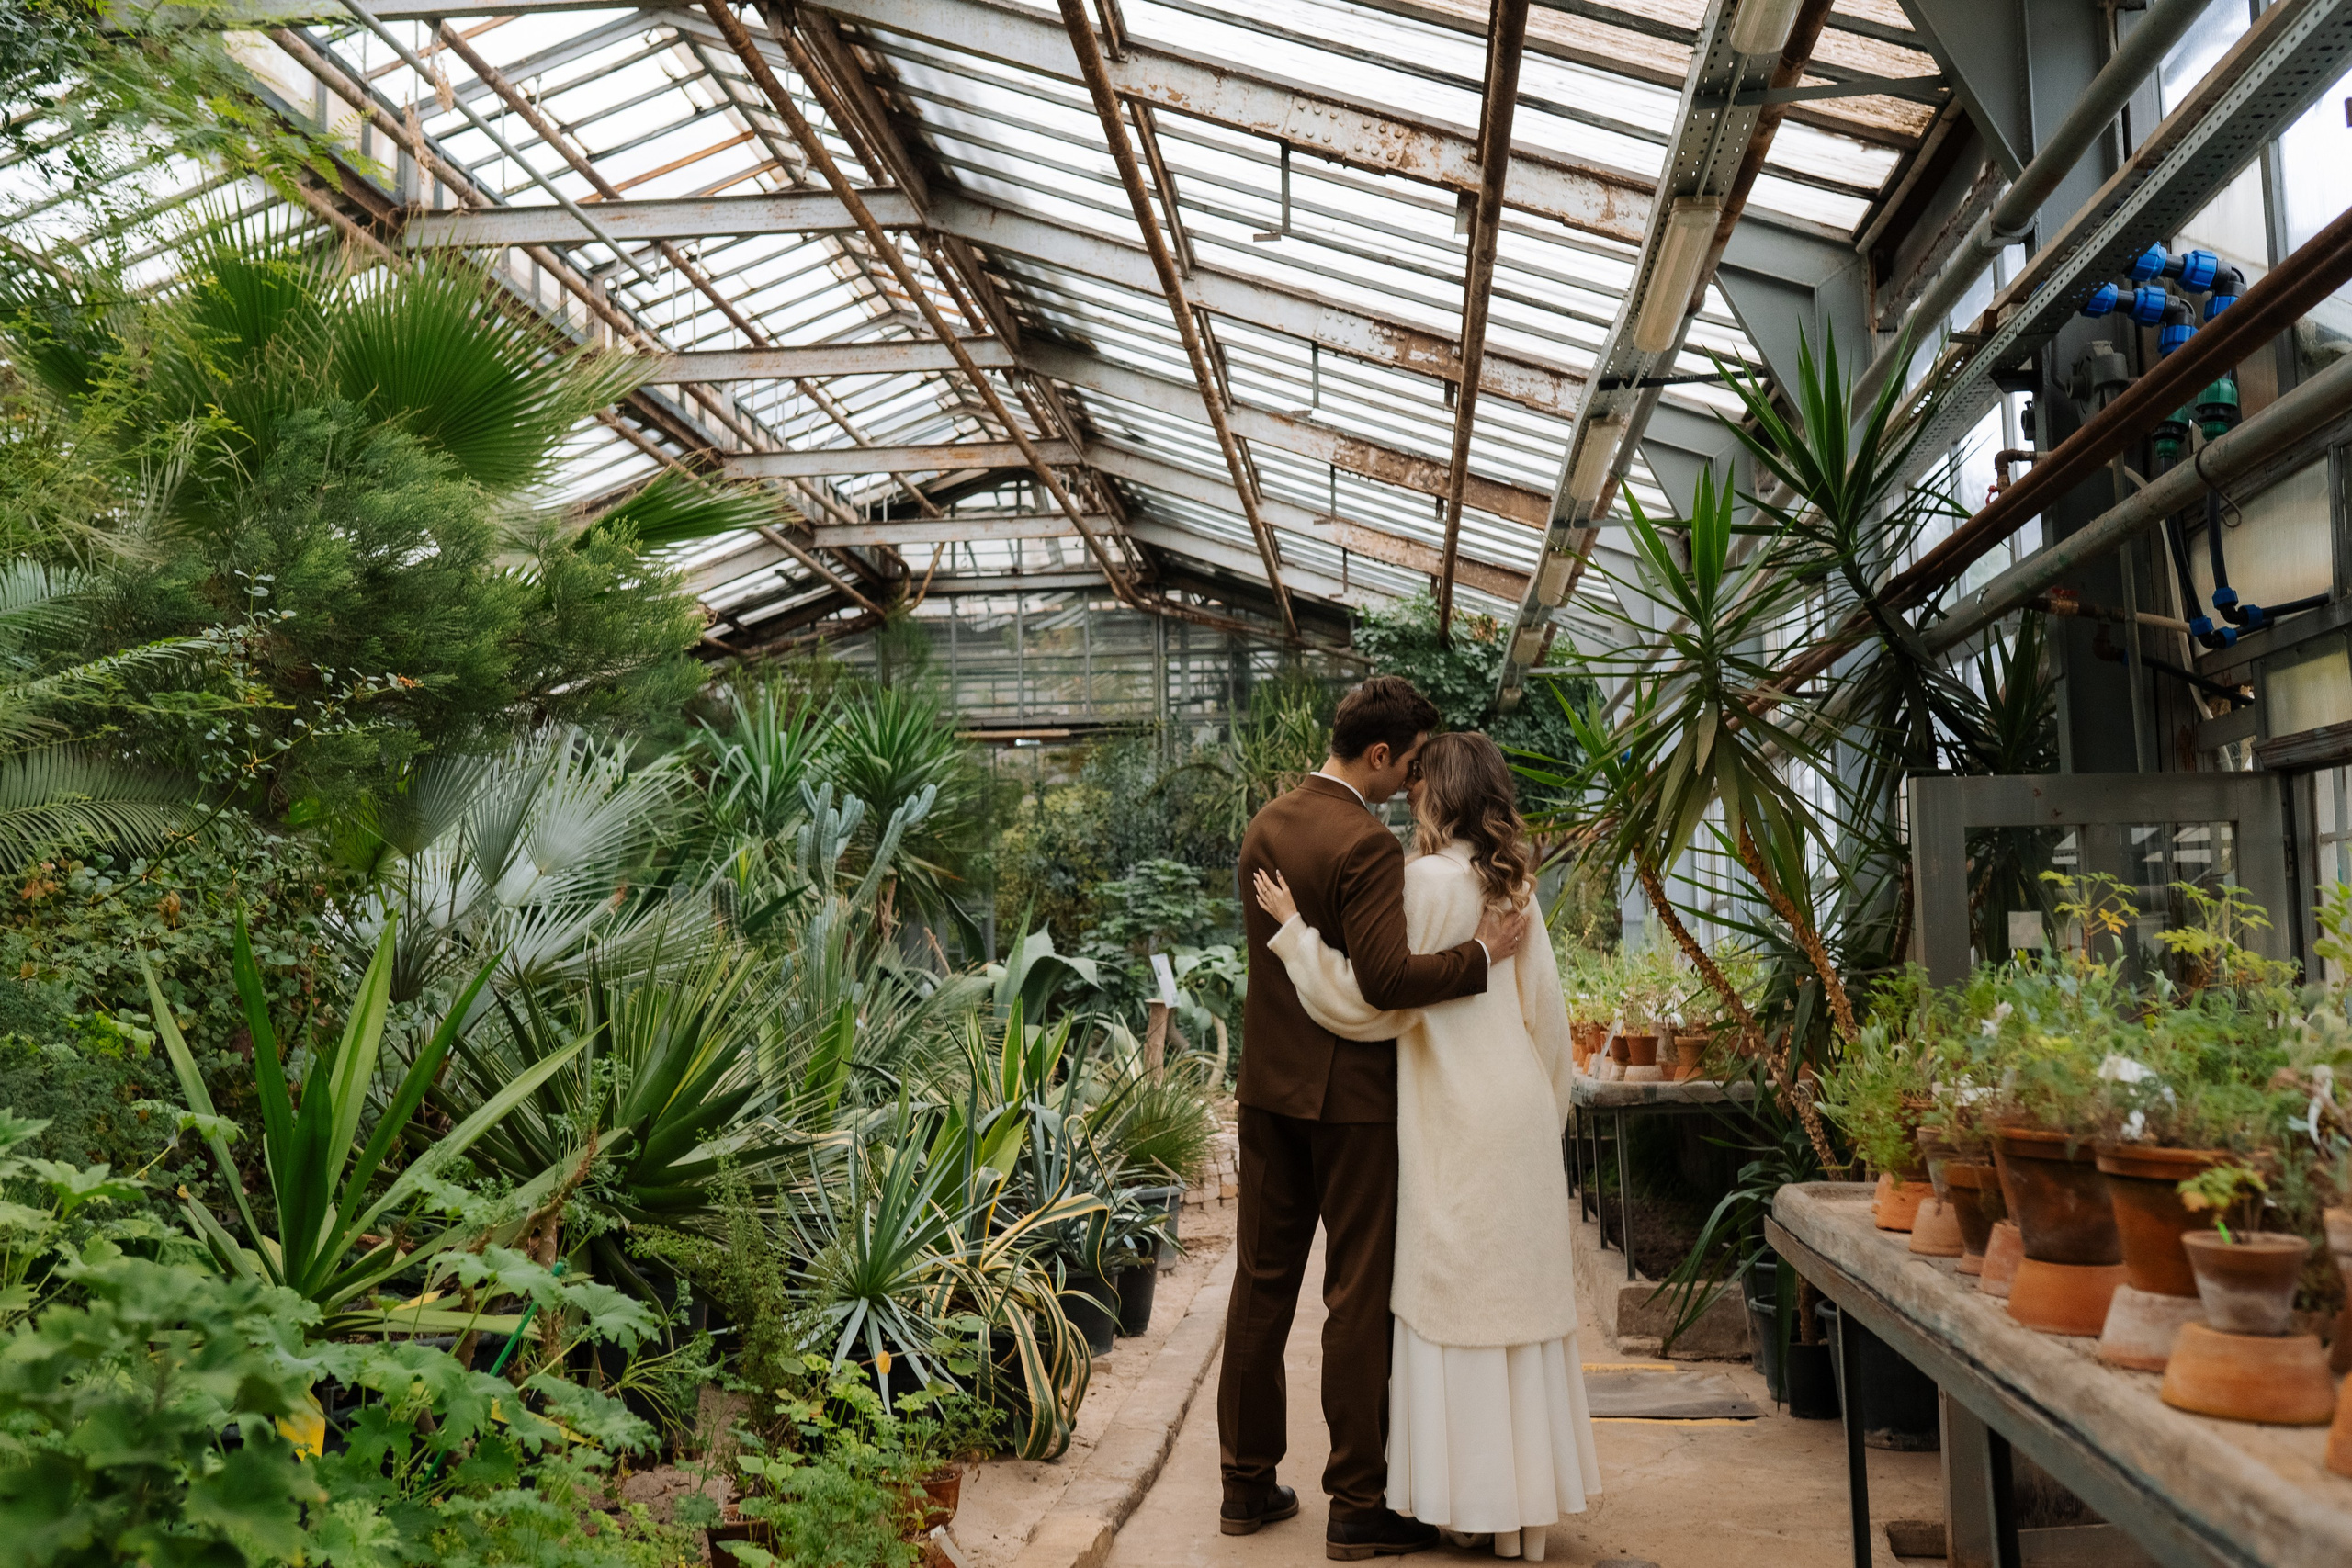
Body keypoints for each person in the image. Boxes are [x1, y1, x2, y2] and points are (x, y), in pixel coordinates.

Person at [1253, 730, 1600, 1561]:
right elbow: (1547, 1020)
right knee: (1516, 1312)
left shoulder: (1425, 884)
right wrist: (1543, 1115)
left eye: (1417, 792)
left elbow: (1370, 1004)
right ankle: (1520, 1514)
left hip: (1453, 1122)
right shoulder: (1513, 884)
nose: (1408, 803)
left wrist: (1298, 934)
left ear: (1437, 797)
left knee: (1451, 1310)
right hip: (1515, 1112)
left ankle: (1463, 1502)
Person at [1219, 677, 1532, 1560]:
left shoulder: (1267, 824)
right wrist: (1480, 955)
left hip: (1267, 1094)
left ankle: (1244, 1482)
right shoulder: (1365, 842)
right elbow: (1389, 980)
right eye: (1412, 763)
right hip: (1351, 1103)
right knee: (1356, 1297)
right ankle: (1356, 1503)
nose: (1414, 782)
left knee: (1261, 1284)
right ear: (1380, 754)